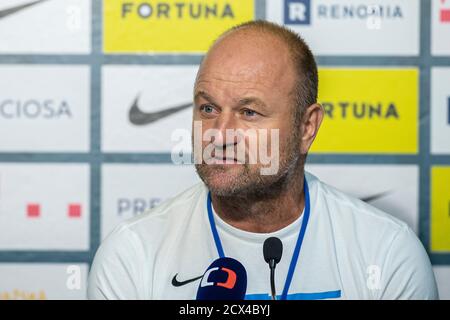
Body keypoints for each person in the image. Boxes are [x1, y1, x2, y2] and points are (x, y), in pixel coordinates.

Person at [88, 20, 438, 300]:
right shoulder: (132, 256)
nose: (220, 134)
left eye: (249, 112)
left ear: (307, 126)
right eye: (208, 108)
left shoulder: (388, 252)